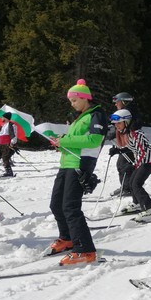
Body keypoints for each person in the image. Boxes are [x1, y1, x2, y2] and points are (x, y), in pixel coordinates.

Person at [47, 79, 107, 265]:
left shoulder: (96, 115)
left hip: (79, 165)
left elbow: (93, 140)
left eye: (74, 100)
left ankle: (85, 250)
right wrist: (61, 144)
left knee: (71, 208)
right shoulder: (80, 117)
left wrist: (64, 141)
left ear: (83, 98)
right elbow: (74, 141)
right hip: (66, 164)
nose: (72, 104)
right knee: (56, 204)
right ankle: (67, 238)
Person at [108, 109, 151, 221]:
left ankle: (150, 209)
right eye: (115, 124)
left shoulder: (137, 134)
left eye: (119, 123)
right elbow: (133, 148)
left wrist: (134, 165)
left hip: (148, 162)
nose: (117, 126)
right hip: (142, 161)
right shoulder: (129, 133)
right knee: (131, 182)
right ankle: (137, 204)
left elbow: (143, 152)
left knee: (136, 184)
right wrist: (118, 151)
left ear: (127, 122)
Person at [108, 92, 142, 197]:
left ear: (124, 102)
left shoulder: (128, 112)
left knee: (124, 165)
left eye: (117, 102)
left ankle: (127, 188)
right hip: (127, 142)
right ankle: (126, 186)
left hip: (130, 143)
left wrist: (112, 133)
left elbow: (128, 127)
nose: (115, 104)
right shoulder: (128, 111)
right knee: (123, 164)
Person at [0, 112, 17, 177]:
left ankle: (9, 172)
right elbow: (0, 137)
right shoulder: (2, 125)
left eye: (2, 117)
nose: (1, 118)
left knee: (5, 158)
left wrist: (12, 142)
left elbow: (14, 135)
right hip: (0, 145)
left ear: (5, 118)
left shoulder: (12, 125)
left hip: (7, 145)